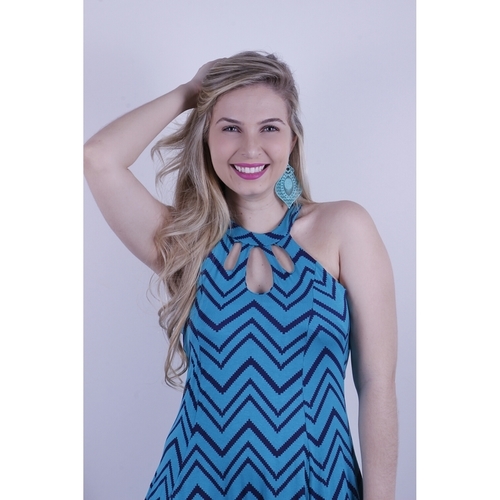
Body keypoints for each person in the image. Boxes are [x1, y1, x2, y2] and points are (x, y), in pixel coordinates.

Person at [84, 51, 398, 500]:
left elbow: (377, 384)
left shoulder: (344, 228)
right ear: (206, 138)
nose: (251, 148)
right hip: (193, 486)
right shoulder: (185, 243)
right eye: (230, 128)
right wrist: (191, 92)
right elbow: (99, 158)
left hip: (318, 486)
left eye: (269, 128)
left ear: (292, 140)